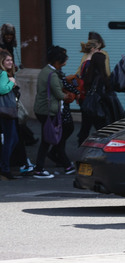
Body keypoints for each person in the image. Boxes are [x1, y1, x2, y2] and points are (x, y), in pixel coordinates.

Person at [33, 46, 72, 179]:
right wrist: (69, 96)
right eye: (63, 61)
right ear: (57, 62)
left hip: (42, 110)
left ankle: (63, 163)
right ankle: (39, 168)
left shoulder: (45, 70)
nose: (64, 63)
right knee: (47, 140)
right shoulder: (52, 74)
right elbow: (59, 94)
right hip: (48, 111)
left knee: (49, 138)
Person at [0, 50, 19, 180]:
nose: (10, 62)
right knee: (10, 140)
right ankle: (4, 168)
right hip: (5, 110)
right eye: (7, 60)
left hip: (5, 110)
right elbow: (2, 89)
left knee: (13, 139)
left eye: (11, 60)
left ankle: (4, 166)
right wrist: (11, 82)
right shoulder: (3, 74)